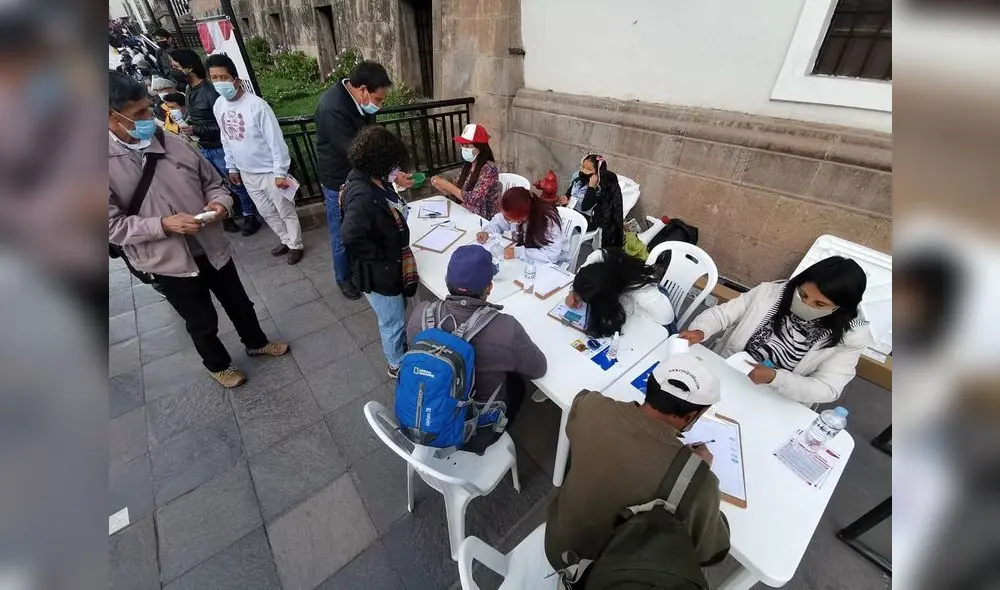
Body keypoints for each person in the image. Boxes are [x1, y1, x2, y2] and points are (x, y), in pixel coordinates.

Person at [108, 72, 289, 388]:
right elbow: (110, 226)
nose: (149, 118)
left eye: (148, 109)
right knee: (201, 321)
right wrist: (163, 225)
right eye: (138, 114)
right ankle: (218, 365)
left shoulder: (172, 142)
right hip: (168, 262)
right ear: (111, 117)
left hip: (211, 245)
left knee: (240, 303)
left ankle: (256, 342)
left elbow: (213, 182)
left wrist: (221, 204)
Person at [545, 354, 730, 569]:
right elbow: (712, 552)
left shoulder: (590, 406)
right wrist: (698, 471)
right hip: (598, 578)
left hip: (556, 542)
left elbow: (580, 406)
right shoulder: (698, 482)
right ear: (690, 416)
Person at [407, 245, 548, 450]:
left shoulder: (421, 314)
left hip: (426, 414)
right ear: (489, 287)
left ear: (447, 282)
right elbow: (539, 368)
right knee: (518, 384)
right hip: (474, 432)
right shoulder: (506, 328)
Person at [680, 256, 870, 404]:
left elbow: (828, 388)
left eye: (819, 304)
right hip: (727, 372)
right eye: (802, 295)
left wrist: (776, 378)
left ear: (841, 308)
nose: (806, 304)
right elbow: (722, 315)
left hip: (774, 397)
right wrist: (701, 331)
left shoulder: (851, 337)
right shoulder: (770, 293)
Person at [315, 61, 412, 299]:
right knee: (342, 233)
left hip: (362, 173)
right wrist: (391, 173)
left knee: (363, 226)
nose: (379, 106)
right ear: (362, 89)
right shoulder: (333, 108)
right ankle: (344, 278)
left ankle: (363, 266)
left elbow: (372, 145)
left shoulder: (360, 103)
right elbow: (354, 152)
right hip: (339, 178)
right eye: (378, 100)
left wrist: (391, 170)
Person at [209, 53, 304, 263]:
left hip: (270, 171)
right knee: (266, 211)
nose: (218, 82)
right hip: (246, 172)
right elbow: (226, 137)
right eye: (214, 78)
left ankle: (296, 244)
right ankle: (286, 239)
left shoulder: (257, 105)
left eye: (222, 77)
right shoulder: (219, 106)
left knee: (284, 210)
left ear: (236, 79)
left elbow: (275, 141)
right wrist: (232, 167)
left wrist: (280, 172)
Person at [340, 125, 415, 378]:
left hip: (386, 265)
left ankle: (401, 350)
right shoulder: (361, 194)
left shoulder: (370, 176)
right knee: (392, 321)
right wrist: (380, 256)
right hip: (378, 272)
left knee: (396, 315)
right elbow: (350, 235)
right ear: (379, 160)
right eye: (392, 163)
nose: (395, 168)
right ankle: (396, 364)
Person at [171, 48, 261, 236]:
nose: (173, 70)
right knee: (214, 184)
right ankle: (226, 215)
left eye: (176, 66)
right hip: (203, 146)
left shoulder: (212, 94)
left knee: (235, 183)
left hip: (219, 147)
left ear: (189, 68)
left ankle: (249, 215)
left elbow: (224, 126)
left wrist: (197, 129)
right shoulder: (189, 90)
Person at [566, 248, 675, 338]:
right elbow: (584, 269)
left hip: (656, 319)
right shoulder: (599, 259)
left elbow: (667, 318)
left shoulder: (643, 295)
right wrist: (574, 291)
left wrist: (632, 312)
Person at [476, 187, 567, 265]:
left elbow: (552, 256)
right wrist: (487, 231)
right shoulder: (516, 210)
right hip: (526, 257)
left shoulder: (549, 222)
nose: (507, 220)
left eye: (511, 219)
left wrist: (518, 252)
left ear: (523, 217)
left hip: (553, 265)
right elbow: (498, 222)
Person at [430, 123, 501, 219]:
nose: (464, 149)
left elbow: (474, 199)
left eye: (468, 146)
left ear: (480, 148)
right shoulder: (468, 164)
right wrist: (441, 186)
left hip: (483, 218)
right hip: (465, 210)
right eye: (463, 145)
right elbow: (457, 189)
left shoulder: (489, 169)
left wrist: (448, 186)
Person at [557, 154, 624, 249]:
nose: (584, 171)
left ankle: (564, 250)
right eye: (583, 167)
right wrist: (566, 199)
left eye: (589, 169)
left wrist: (591, 187)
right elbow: (569, 194)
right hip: (573, 212)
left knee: (562, 227)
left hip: (588, 220)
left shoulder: (599, 189)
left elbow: (585, 206)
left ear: (597, 173)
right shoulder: (579, 180)